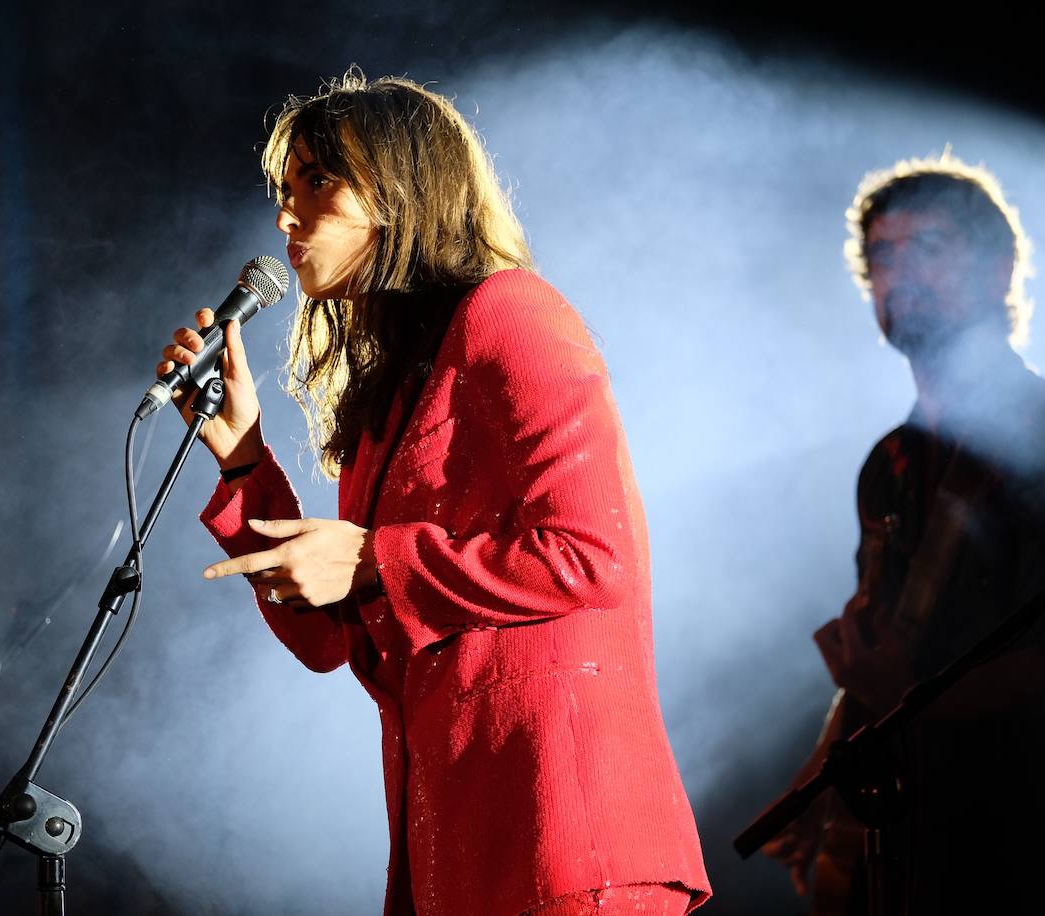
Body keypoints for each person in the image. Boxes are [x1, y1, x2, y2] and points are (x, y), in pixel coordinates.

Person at [156, 72, 710, 916]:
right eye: (285, 189)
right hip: (457, 846)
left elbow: (594, 557)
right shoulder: (385, 404)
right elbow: (329, 641)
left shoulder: (511, 312)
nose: (286, 216)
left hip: (564, 838)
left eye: (316, 181)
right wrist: (243, 464)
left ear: (398, 191)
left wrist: (377, 558)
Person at [762, 153, 1045, 914]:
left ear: (1001, 269)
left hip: (1036, 847)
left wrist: (914, 697)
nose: (900, 274)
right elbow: (885, 652)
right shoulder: (886, 465)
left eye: (929, 248)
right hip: (914, 845)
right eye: (882, 255)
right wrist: (823, 780)